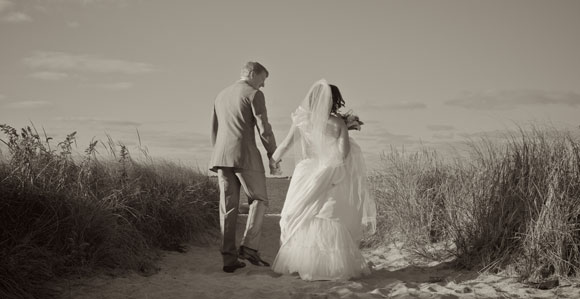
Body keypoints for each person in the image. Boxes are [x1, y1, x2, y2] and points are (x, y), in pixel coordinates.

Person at [270, 79, 376, 281]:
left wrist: (273, 161)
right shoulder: (337, 124)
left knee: (301, 216)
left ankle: (302, 263)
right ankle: (329, 266)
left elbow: (284, 145)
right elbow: (343, 154)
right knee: (329, 214)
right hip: (331, 172)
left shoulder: (302, 121)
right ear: (334, 101)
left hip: (306, 173)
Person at [209, 61, 280, 273]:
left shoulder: (220, 95)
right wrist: (272, 154)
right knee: (260, 199)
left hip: (221, 157)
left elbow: (215, 129)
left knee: (227, 209)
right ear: (251, 73)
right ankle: (249, 246)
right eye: (263, 79)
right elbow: (264, 128)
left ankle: (229, 259)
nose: (263, 85)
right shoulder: (253, 94)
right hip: (245, 156)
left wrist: (218, 153)